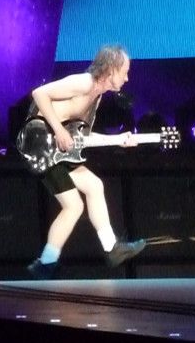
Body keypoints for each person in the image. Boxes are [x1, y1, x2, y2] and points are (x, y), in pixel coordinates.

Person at [21, 44, 147, 279]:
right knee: (74, 206)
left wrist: (117, 140)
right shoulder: (84, 82)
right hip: (40, 145)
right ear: (111, 69)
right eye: (125, 72)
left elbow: (81, 137)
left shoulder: (96, 97)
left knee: (94, 186)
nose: (127, 78)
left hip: (57, 149)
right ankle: (45, 264)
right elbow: (39, 94)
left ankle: (110, 249)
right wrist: (59, 130)